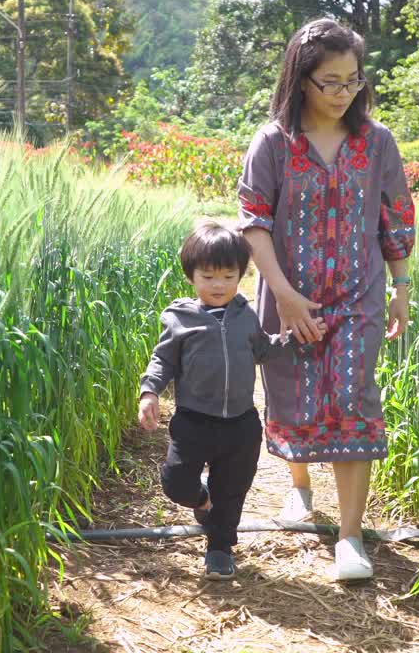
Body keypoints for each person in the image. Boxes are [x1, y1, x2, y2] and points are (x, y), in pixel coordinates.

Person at [236, 18, 416, 581]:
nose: (343, 94)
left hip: (360, 294)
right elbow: (254, 222)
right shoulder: (273, 142)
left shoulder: (377, 141)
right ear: (301, 80)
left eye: (353, 81)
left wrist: (401, 289)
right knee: (295, 393)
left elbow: (396, 217)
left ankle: (351, 537)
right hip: (292, 296)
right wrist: (285, 297)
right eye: (330, 82)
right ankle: (300, 487)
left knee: (354, 400)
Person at [138, 222, 327, 580]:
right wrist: (149, 392)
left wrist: (300, 339)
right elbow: (162, 361)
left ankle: (220, 548)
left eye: (228, 276)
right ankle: (201, 500)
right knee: (176, 484)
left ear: (241, 275)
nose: (219, 285)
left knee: (233, 490)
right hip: (194, 420)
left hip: (241, 423)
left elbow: (265, 349)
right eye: (208, 276)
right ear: (191, 277)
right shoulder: (180, 318)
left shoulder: (245, 315)